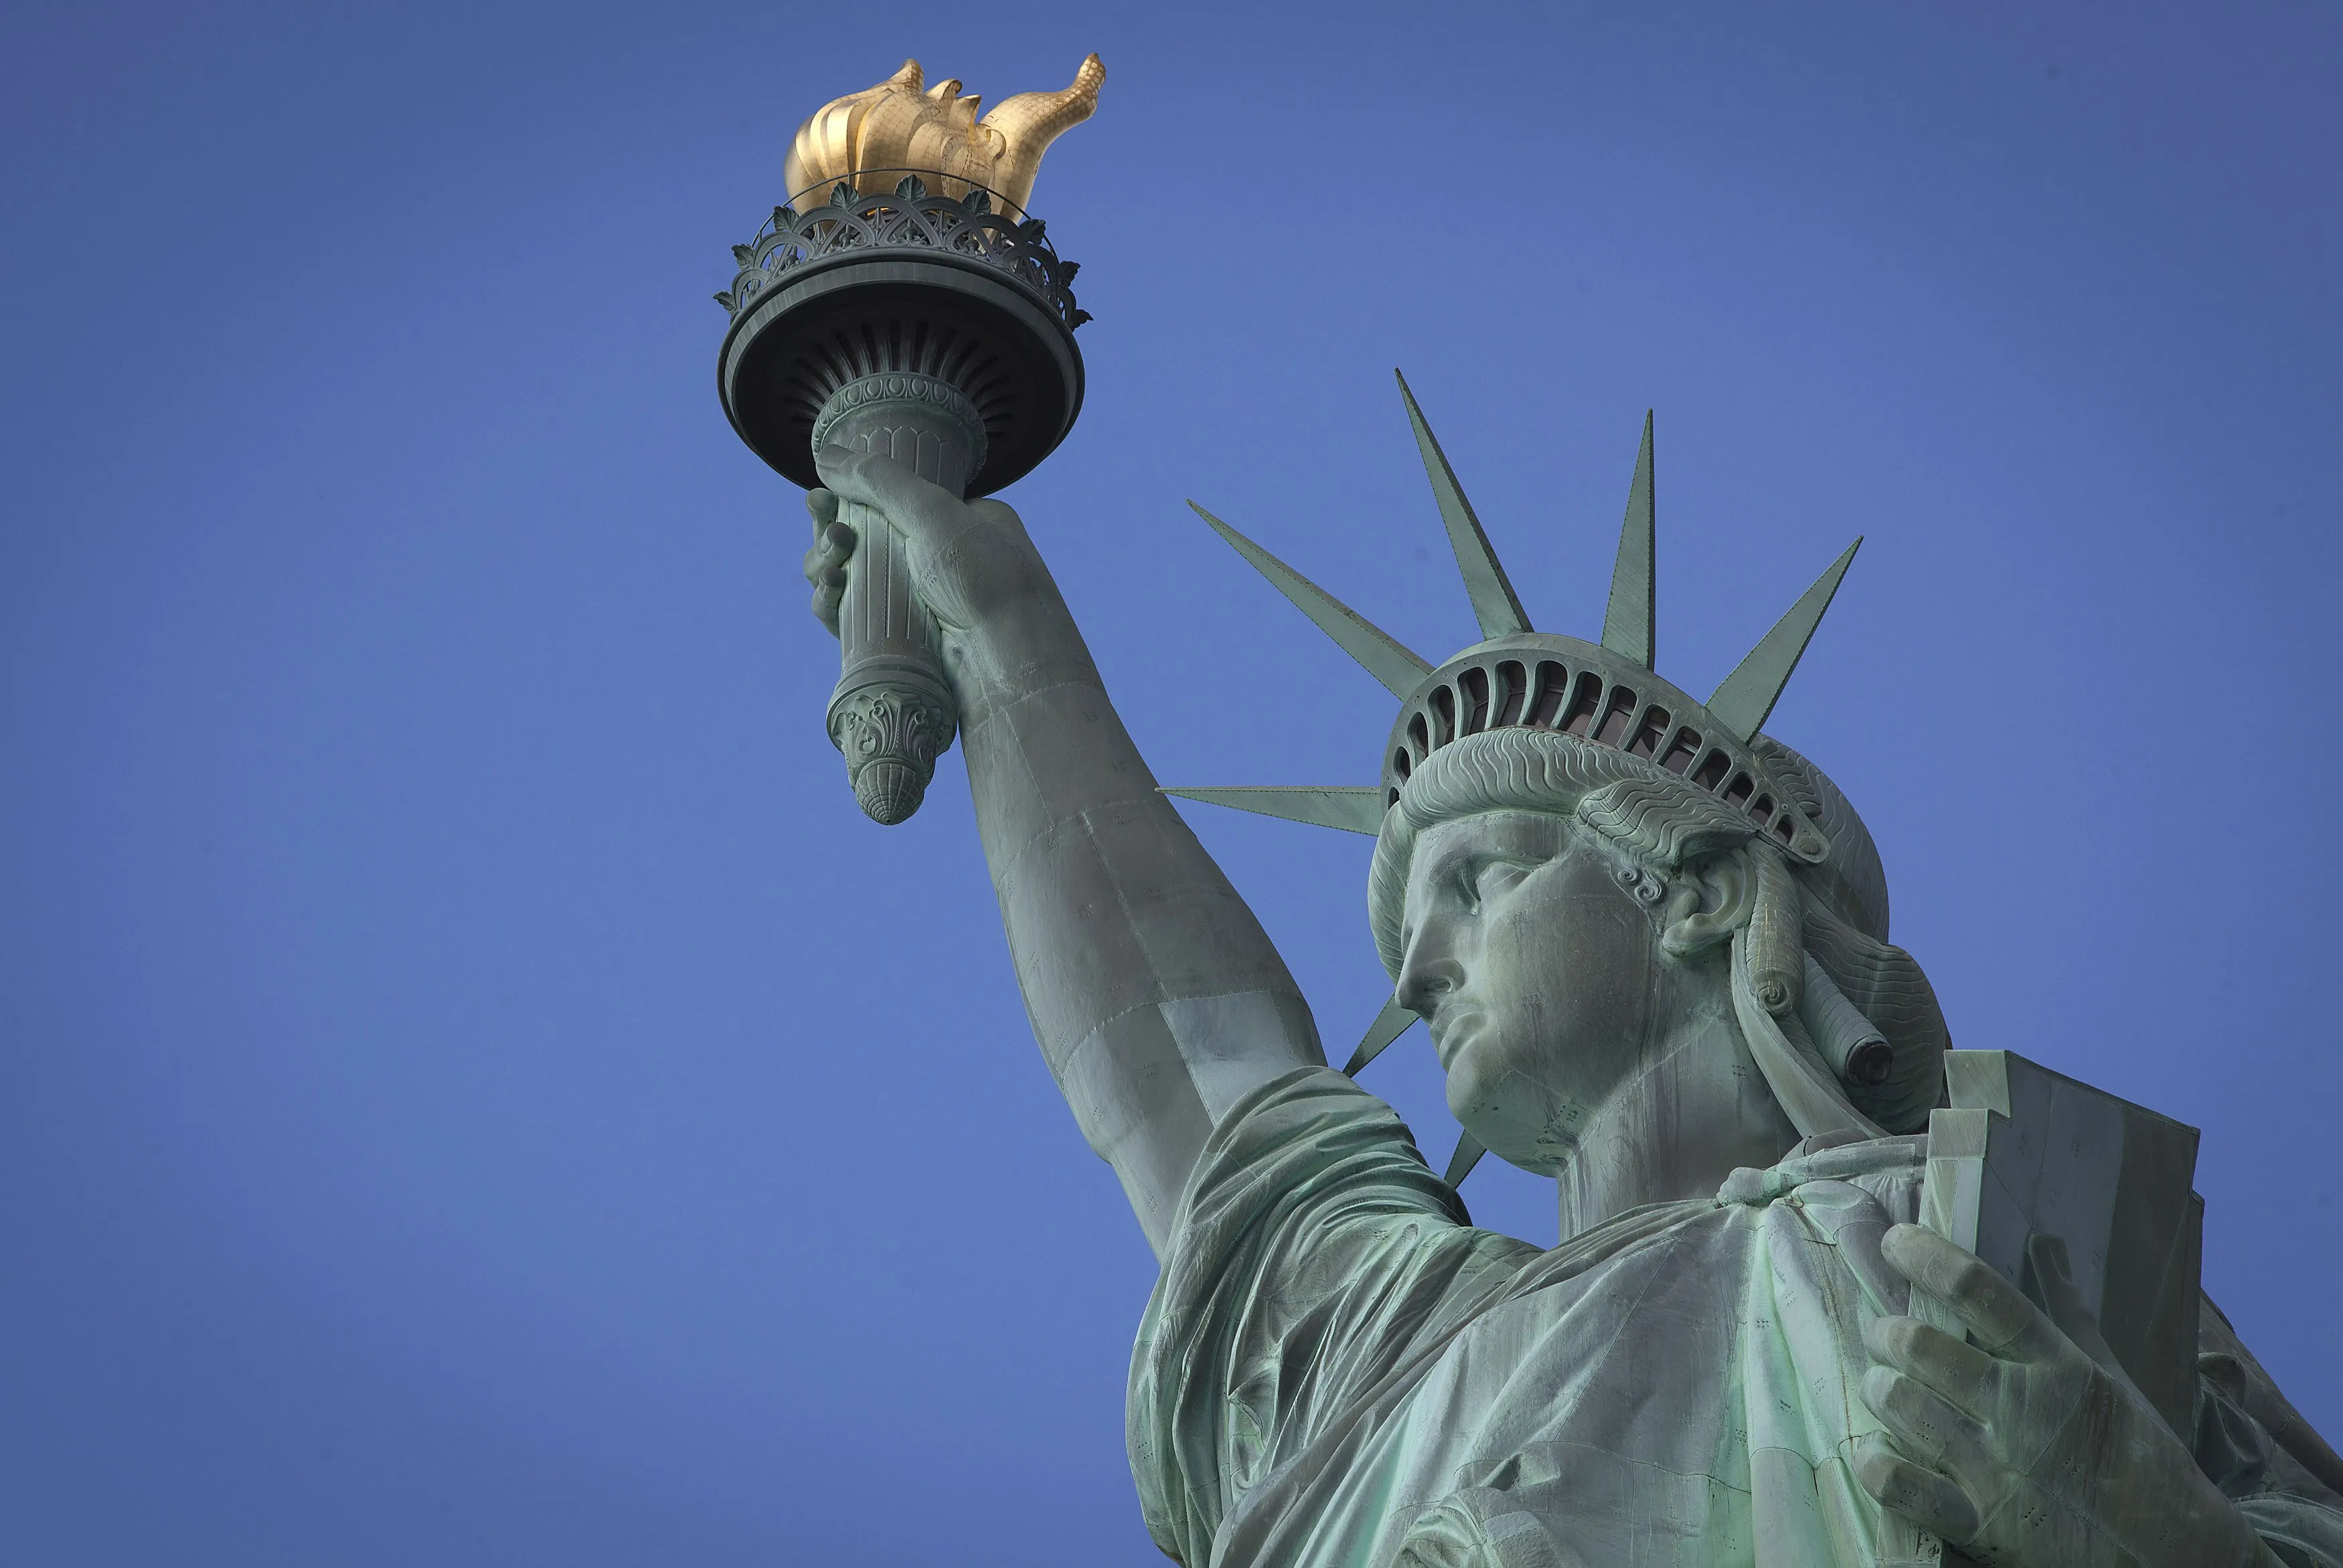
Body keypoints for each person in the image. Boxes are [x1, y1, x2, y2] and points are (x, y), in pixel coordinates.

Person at [800, 426, 2343, 1567]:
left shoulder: (1973, 1265)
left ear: (1695, 890)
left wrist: (2131, 1523)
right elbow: (1193, 1077)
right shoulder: (1390, 1350)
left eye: (1480, 879)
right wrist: (990, 622)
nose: (1413, 969)